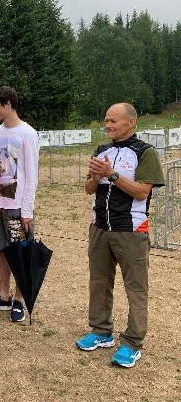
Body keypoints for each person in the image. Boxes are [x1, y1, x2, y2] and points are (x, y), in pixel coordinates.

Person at [75, 103, 164, 368]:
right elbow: (89, 189)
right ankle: (101, 332)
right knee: (99, 282)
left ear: (131, 123)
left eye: (114, 121)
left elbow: (141, 192)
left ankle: (133, 343)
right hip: (100, 228)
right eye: (106, 120)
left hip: (131, 230)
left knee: (136, 288)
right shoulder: (102, 150)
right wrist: (94, 176)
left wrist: (111, 175)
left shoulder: (145, 152)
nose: (108, 125)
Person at [0, 86, 39, 323]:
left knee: (20, 252)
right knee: (1, 249)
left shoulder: (27, 133)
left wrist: (26, 210)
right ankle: (3, 295)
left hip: (17, 206)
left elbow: (31, 174)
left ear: (8, 105)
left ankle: (19, 299)